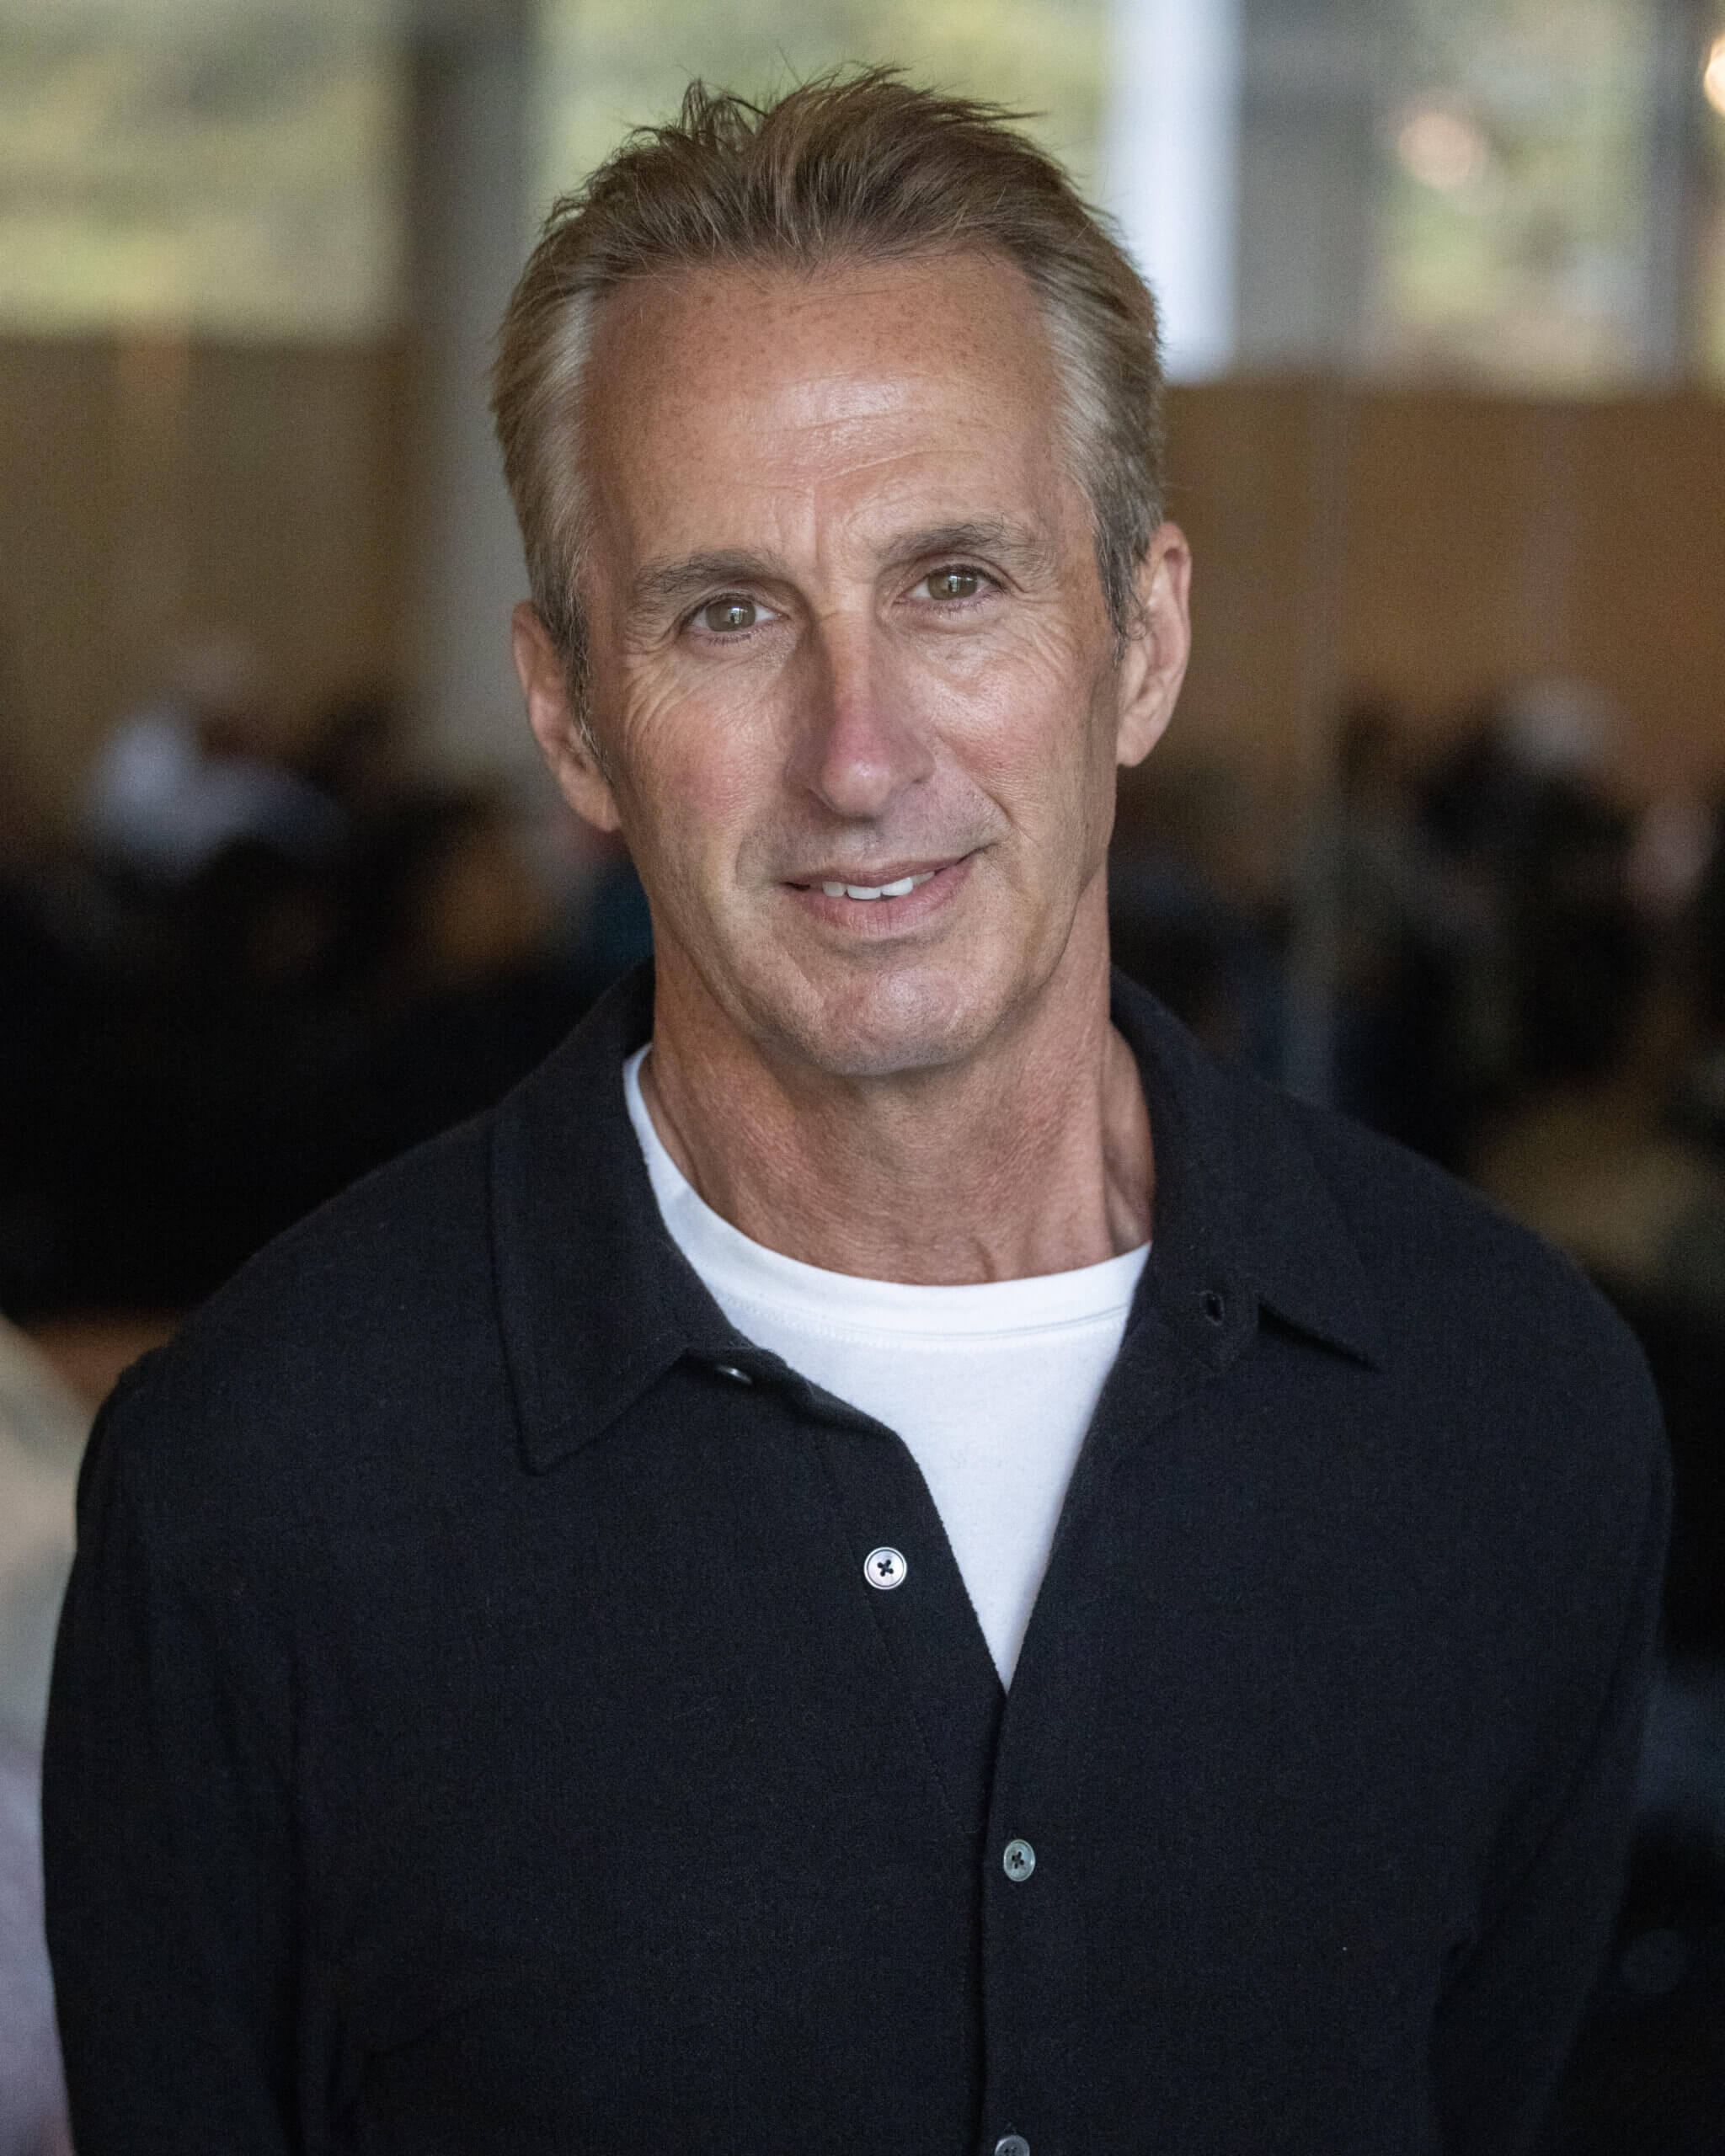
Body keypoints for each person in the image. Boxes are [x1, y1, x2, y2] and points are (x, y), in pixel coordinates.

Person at [44, 74, 1667, 2154]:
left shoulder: (1509, 1404)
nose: (858, 753)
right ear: (571, 717)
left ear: (1143, 639)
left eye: (954, 581)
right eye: (727, 613)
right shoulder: (262, 1484)